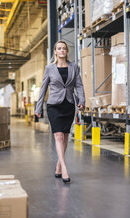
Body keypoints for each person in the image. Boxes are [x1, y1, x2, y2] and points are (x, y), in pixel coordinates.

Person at [35, 40, 85, 184]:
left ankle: (58, 165)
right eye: (59, 48)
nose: (62, 50)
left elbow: (79, 86)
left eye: (64, 48)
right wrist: (38, 108)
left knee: (65, 136)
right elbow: (43, 88)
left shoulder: (74, 67)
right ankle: (64, 168)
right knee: (58, 136)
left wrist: (82, 101)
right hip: (54, 105)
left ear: (66, 51)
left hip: (69, 104)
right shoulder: (49, 68)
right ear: (55, 52)